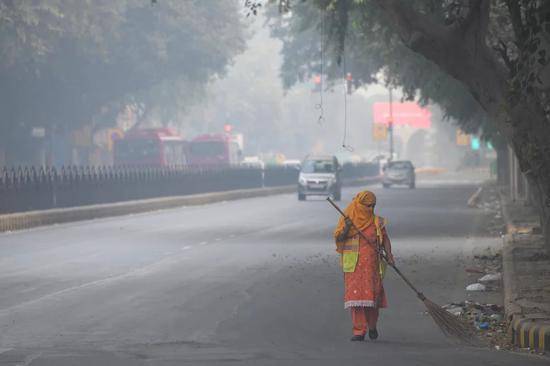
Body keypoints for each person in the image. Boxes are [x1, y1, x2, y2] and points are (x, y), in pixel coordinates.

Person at [333, 190, 395, 341]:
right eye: (368, 206)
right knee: (356, 299)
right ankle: (359, 331)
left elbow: (385, 239)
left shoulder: (377, 221)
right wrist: (347, 227)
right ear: (359, 205)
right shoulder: (347, 219)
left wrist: (389, 255)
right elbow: (339, 237)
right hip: (353, 266)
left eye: (373, 206)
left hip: (372, 267)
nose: (371, 209)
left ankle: (372, 326)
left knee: (372, 298)